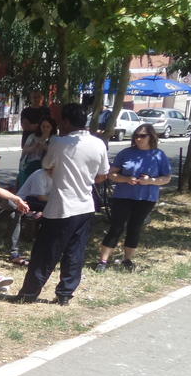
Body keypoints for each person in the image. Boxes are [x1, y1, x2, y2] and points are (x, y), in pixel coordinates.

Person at [14, 103, 110, 305]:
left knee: (44, 253)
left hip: (61, 207)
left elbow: (46, 165)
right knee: (75, 252)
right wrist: (85, 178)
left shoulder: (59, 142)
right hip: (86, 205)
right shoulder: (98, 143)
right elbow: (102, 175)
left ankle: (29, 293)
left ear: (66, 122)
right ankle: (65, 293)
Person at [95, 124, 172, 273]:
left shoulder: (159, 155)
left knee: (134, 228)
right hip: (123, 196)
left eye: (142, 136)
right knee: (116, 227)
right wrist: (126, 179)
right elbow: (111, 174)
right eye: (136, 135)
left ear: (151, 137)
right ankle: (103, 261)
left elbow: (166, 178)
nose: (138, 138)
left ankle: (127, 260)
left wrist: (150, 181)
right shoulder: (126, 153)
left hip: (146, 198)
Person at [8, 168, 51, 265]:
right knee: (15, 215)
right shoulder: (40, 174)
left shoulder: (60, 175)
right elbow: (41, 197)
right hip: (26, 201)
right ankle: (14, 251)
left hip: (43, 204)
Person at [18, 117, 57, 188]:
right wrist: (35, 146)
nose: (45, 129)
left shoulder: (55, 139)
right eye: (43, 126)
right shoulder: (33, 137)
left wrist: (45, 147)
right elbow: (25, 150)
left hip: (46, 168)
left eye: (48, 127)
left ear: (52, 128)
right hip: (31, 166)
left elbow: (55, 153)